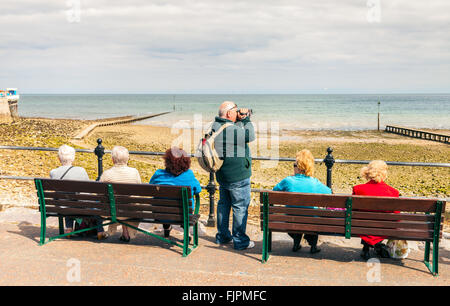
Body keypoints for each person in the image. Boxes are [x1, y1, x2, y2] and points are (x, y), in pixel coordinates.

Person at [213, 101, 256, 250]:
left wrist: (238, 120)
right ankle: (240, 241)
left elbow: (233, 136)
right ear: (229, 113)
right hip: (238, 177)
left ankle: (223, 236)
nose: (237, 113)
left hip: (222, 175)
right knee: (240, 207)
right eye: (236, 111)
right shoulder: (230, 130)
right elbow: (250, 135)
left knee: (224, 206)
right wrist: (246, 119)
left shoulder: (216, 126)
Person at [273, 149, 331, 253]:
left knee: (296, 213)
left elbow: (274, 191)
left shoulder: (288, 181)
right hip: (311, 223)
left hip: (290, 222)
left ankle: (296, 244)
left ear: (297, 167)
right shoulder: (314, 182)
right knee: (312, 215)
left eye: (294, 165)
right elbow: (330, 194)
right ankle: (313, 246)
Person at [50, 144, 108, 240]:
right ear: (73, 158)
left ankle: (69, 229)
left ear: (58, 159)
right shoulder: (81, 171)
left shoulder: (53, 172)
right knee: (97, 203)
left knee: (67, 201)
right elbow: (88, 193)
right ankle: (100, 231)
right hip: (80, 206)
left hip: (63, 207)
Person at [149, 147, 202, 238]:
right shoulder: (189, 175)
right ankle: (185, 231)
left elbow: (150, 188)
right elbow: (198, 190)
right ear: (186, 162)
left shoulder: (158, 174)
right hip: (183, 215)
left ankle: (167, 226)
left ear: (167, 161)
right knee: (184, 205)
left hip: (159, 214)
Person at [352, 160, 400, 260]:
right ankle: (376, 245)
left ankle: (366, 248)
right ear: (384, 173)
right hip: (383, 229)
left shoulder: (358, 189)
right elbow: (396, 217)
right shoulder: (393, 192)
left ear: (368, 172)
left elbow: (353, 211)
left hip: (361, 227)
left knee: (365, 221)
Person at [99, 146, 142, 242]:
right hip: (130, 211)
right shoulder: (134, 172)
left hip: (112, 212)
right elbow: (138, 192)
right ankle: (126, 232)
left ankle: (124, 232)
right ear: (127, 159)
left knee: (117, 203)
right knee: (126, 203)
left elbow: (100, 194)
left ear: (112, 160)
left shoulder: (107, 174)